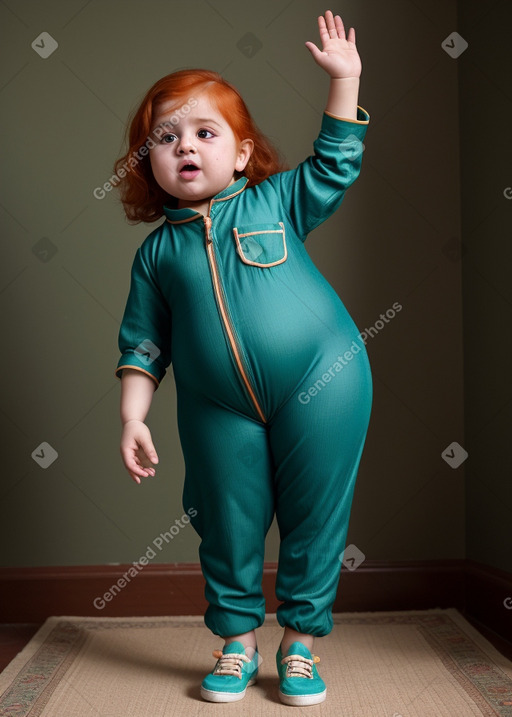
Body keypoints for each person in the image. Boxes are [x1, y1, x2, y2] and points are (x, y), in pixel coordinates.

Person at [114, 9, 372, 707]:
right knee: (222, 516)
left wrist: (344, 82)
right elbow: (142, 343)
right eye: (164, 138)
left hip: (325, 377)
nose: (185, 147)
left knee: (315, 512)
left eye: (205, 132)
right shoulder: (157, 255)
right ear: (150, 163)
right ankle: (236, 641)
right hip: (215, 403)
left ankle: (300, 643)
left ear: (240, 151)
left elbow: (334, 163)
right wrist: (133, 417)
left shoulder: (278, 199)